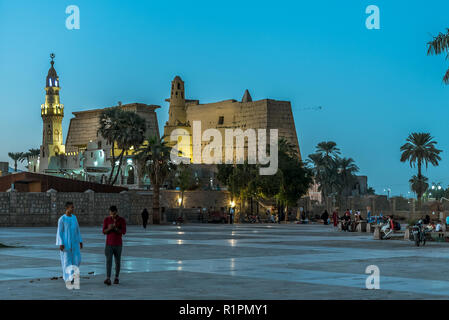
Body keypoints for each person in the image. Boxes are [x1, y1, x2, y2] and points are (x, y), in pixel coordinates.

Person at [56, 201, 83, 287]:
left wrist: (80, 241)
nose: (73, 209)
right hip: (66, 244)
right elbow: (59, 232)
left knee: (77, 260)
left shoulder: (74, 218)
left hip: (75, 244)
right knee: (67, 262)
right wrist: (61, 243)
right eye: (71, 207)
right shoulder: (62, 219)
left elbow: (77, 230)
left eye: (73, 207)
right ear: (67, 208)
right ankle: (69, 278)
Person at [103, 205, 127, 286]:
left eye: (114, 214)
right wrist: (110, 228)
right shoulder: (107, 220)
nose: (112, 215)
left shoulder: (121, 220)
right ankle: (108, 278)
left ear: (116, 212)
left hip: (118, 244)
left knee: (117, 261)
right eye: (111, 214)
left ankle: (116, 277)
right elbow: (104, 231)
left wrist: (115, 228)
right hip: (109, 244)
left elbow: (123, 231)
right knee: (108, 261)